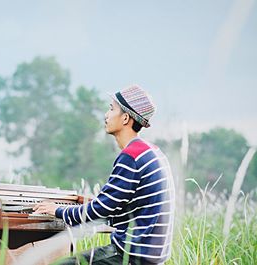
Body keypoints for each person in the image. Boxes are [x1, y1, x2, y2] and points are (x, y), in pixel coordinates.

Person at [34, 85, 175, 265]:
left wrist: (58, 210)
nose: (106, 115)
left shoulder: (131, 157)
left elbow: (101, 209)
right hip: (149, 255)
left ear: (125, 118)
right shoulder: (152, 152)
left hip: (130, 256)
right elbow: (116, 205)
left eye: (111, 109)